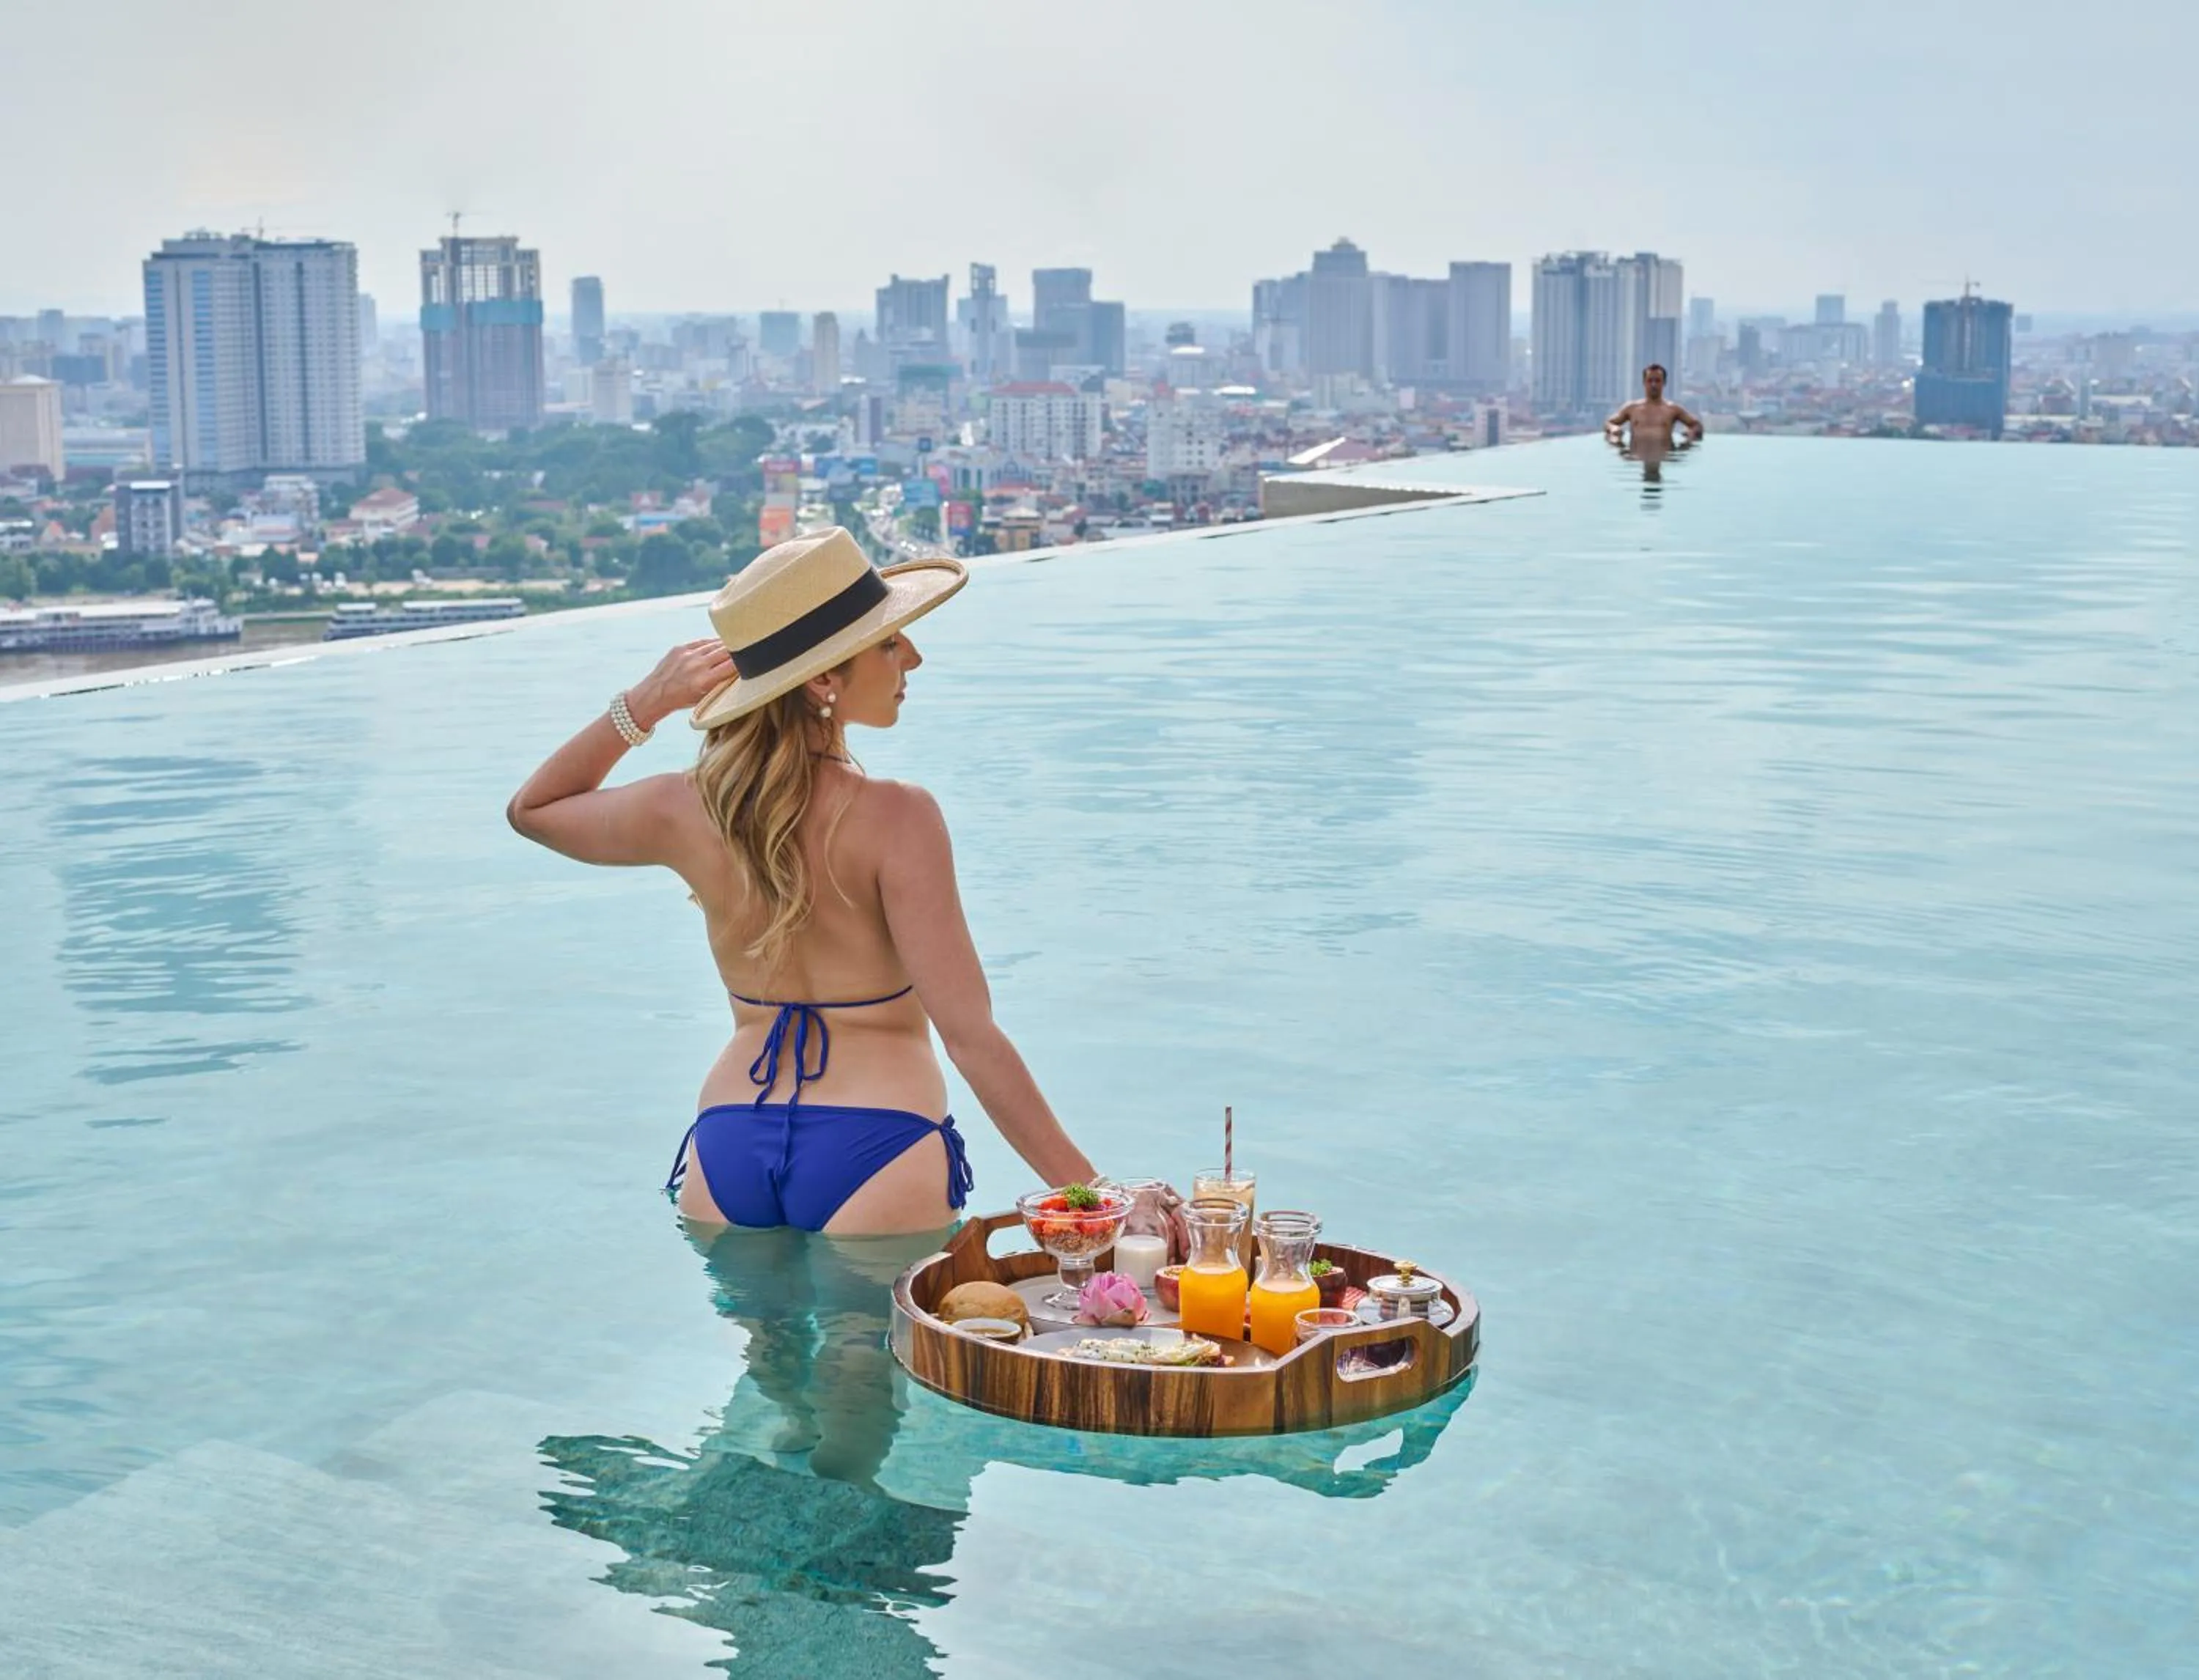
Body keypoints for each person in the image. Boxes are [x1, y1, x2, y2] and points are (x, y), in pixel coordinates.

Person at [507, 527, 1097, 1235]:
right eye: (888, 641)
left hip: (727, 1143)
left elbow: (533, 811)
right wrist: (1094, 1197)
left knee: (765, 1351)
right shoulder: (899, 817)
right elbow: (972, 1039)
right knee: (881, 1350)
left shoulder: (685, 808)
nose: (913, 655)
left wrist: (647, 702)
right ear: (824, 680)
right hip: (882, 1146)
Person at [1605, 364, 1703, 448]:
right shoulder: (1632, 408)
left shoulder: (1673, 409)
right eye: (1650, 381)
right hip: (1636, 457)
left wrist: (1690, 434)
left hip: (1665, 456)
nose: (1653, 385)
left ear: (1664, 383)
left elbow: (1696, 424)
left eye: (1657, 381)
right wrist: (1614, 429)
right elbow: (1610, 422)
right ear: (1644, 383)